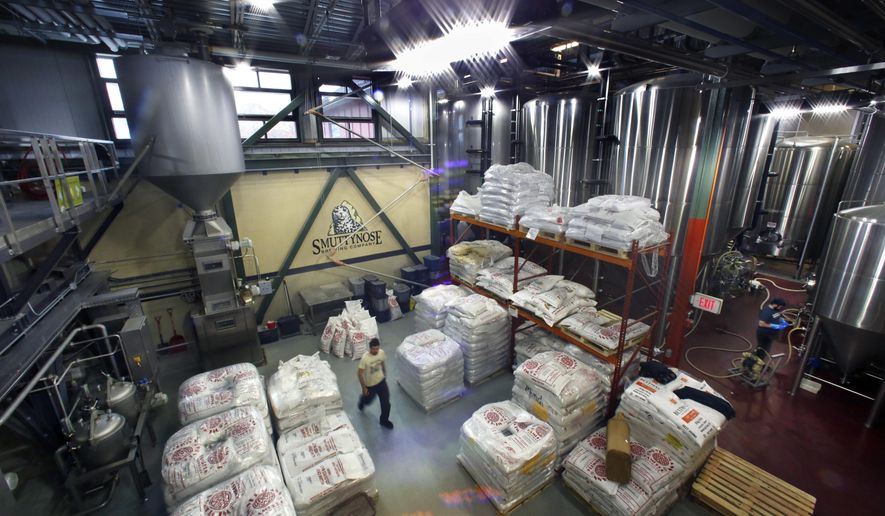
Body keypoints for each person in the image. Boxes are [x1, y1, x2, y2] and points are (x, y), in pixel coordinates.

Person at [358, 338, 393, 429]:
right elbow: (360, 373)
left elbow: (382, 362)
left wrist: (384, 373)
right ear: (370, 348)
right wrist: (364, 388)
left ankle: (384, 421)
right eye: (374, 349)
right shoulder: (365, 358)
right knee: (368, 400)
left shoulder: (381, 352)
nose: (376, 350)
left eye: (377, 348)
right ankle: (362, 401)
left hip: (381, 382)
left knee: (386, 403)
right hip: (370, 385)